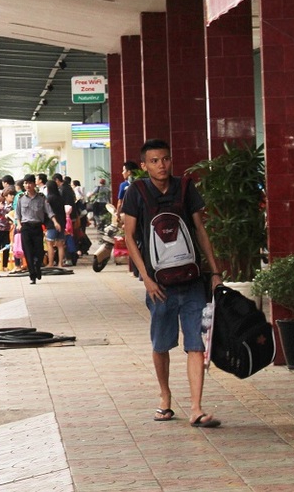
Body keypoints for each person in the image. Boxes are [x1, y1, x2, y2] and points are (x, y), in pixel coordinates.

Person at [121, 139, 223, 428]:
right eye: (154, 161)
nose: (161, 165)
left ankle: (196, 408)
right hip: (159, 286)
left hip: (191, 282)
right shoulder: (136, 192)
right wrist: (146, 279)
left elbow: (200, 229)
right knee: (162, 344)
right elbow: (130, 236)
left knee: (196, 344)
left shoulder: (186, 187)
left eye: (165, 159)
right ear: (143, 166)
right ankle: (165, 397)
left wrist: (214, 271)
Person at [16, 173, 61, 285]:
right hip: (25, 227)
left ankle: (37, 267)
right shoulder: (21, 198)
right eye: (26, 183)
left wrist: (55, 222)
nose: (27, 185)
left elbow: (49, 211)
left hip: (37, 227)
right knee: (28, 252)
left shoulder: (41, 198)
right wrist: (19, 224)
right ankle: (32, 275)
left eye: (30, 183)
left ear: (34, 184)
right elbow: (18, 214)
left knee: (39, 251)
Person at [45, 180, 67, 267]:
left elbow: (48, 212)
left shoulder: (49, 198)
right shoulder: (60, 197)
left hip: (52, 223)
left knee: (50, 244)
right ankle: (60, 263)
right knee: (60, 244)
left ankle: (50, 263)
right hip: (62, 222)